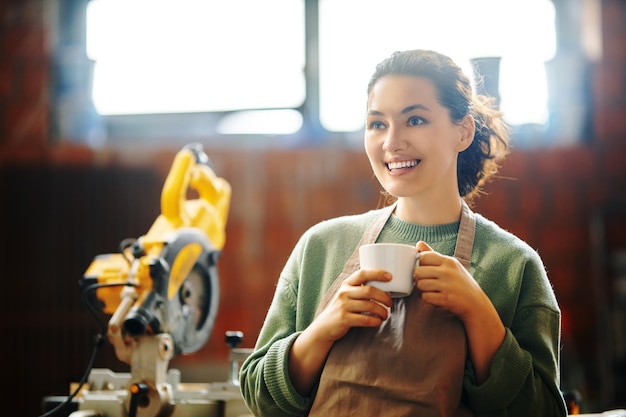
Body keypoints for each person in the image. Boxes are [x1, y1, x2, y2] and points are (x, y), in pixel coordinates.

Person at [239, 49, 567, 417]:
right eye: (377, 124)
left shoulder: (513, 265)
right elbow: (259, 397)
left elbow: (544, 412)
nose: (392, 142)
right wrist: (321, 330)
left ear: (463, 131)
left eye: (415, 120)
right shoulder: (320, 247)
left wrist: (479, 314)